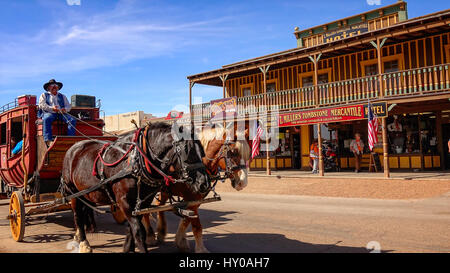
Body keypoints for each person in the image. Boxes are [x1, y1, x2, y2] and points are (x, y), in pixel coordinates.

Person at [38, 79, 76, 146]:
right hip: (49, 113)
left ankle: (70, 139)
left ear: (58, 87)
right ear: (48, 87)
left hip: (61, 114)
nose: (54, 86)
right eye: (52, 85)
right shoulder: (44, 95)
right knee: (47, 119)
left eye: (56, 85)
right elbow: (42, 105)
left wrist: (65, 109)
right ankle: (48, 140)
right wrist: (52, 108)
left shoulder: (63, 96)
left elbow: (68, 106)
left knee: (72, 120)